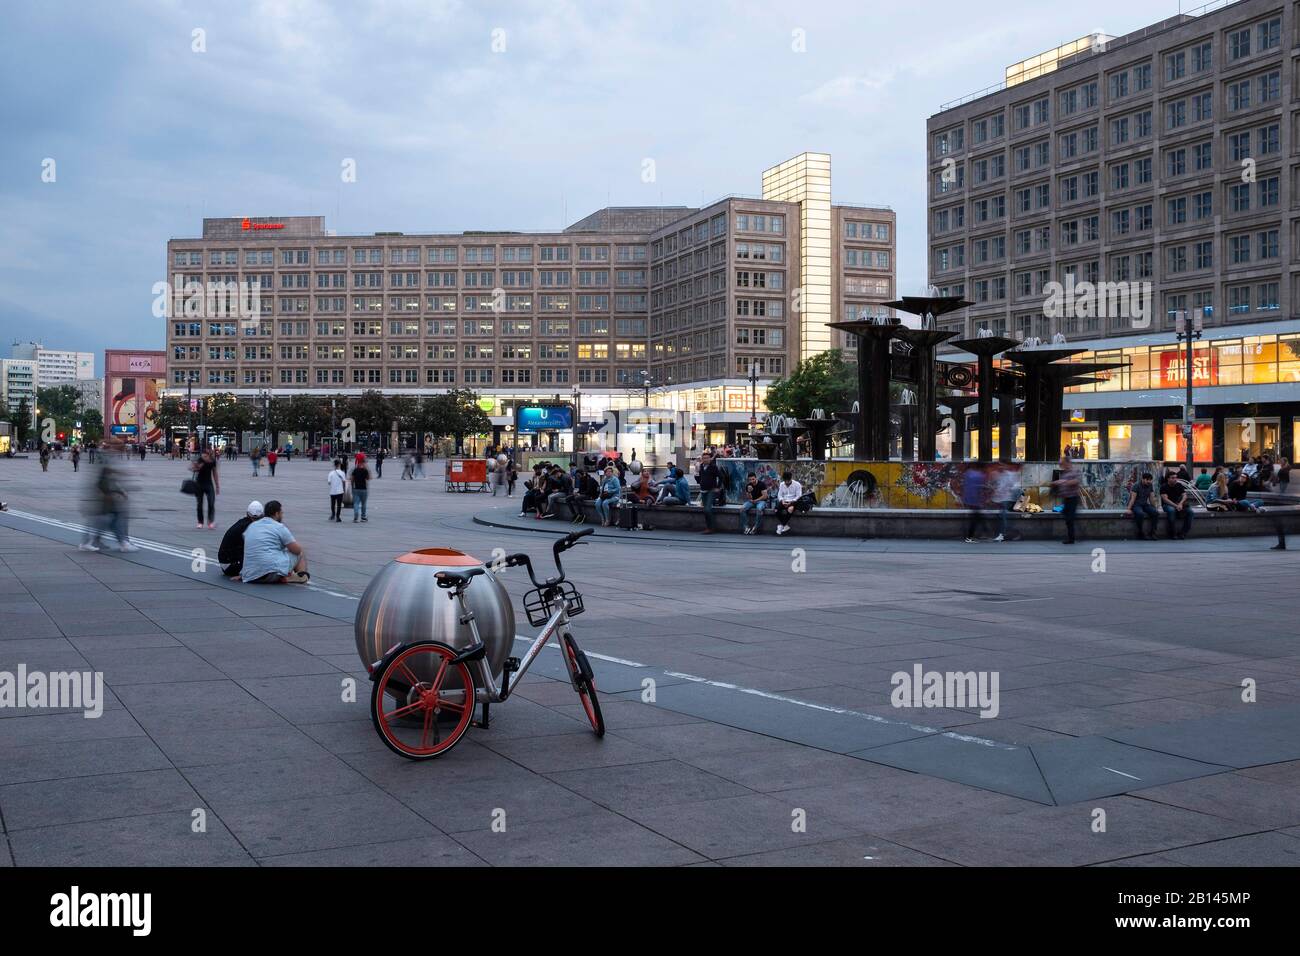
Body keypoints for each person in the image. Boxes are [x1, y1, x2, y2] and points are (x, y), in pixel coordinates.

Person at [78, 452, 139, 553]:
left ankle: (121, 542)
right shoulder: (101, 470)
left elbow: (110, 480)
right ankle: (88, 543)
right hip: (100, 501)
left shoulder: (104, 469)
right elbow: (100, 483)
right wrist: (107, 495)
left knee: (111, 518)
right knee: (103, 520)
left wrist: (119, 491)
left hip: (104, 500)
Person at [240, 500, 309, 584]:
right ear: (277, 514)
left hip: (250, 576)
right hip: (270, 573)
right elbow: (297, 550)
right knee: (299, 553)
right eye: (281, 513)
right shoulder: (279, 527)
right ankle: (301, 576)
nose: (282, 515)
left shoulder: (251, 526)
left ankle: (286, 575)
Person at [218, 501, 264, 577]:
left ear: (247, 514)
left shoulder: (242, 523)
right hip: (231, 566)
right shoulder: (249, 527)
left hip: (226, 563)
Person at [1051, 455, 1081, 544]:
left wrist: (1062, 482)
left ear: (1068, 463)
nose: (1061, 465)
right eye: (1060, 464)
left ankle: (1072, 538)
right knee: (1067, 517)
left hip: (1073, 498)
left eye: (1062, 463)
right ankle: (1072, 536)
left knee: (1070, 519)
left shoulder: (1074, 471)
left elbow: (1076, 482)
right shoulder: (1064, 473)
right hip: (1066, 499)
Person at [1124, 473, 1160, 541]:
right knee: (1140, 514)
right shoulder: (1136, 485)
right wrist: (1128, 509)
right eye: (1147, 480)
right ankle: (1141, 533)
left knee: (1155, 513)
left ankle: (1153, 533)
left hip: (1144, 504)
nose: (1149, 481)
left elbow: (1151, 498)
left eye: (1150, 480)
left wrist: (1155, 507)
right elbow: (1132, 498)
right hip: (1136, 505)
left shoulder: (1150, 485)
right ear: (1143, 479)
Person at [991, 464, 1021, 542]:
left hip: (1007, 499)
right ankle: (1007, 533)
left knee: (1003, 517)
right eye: (999, 465)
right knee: (1002, 517)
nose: (1000, 467)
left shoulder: (1009, 475)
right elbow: (998, 486)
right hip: (1002, 499)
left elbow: (1014, 487)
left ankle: (1002, 534)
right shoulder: (999, 474)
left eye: (1002, 465)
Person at [192, 447, 219, 530]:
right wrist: (200, 464)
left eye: (207, 453)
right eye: (204, 454)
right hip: (199, 484)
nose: (205, 455)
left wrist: (217, 486)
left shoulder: (213, 461)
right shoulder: (200, 459)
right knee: (199, 504)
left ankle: (210, 522)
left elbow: (215, 473)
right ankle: (200, 522)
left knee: (211, 503)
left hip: (209, 484)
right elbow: (193, 469)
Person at [695, 451, 722, 534]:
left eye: (707, 458)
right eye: (704, 458)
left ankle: (711, 528)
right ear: (702, 459)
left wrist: (718, 487)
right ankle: (708, 527)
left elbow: (721, 477)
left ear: (710, 459)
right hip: (703, 490)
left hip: (711, 490)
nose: (705, 459)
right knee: (705, 510)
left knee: (707, 509)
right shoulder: (701, 467)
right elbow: (700, 477)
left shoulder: (713, 467)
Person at [961, 463, 988, 543]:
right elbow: (980, 488)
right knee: (975, 518)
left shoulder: (968, 473)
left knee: (977, 516)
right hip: (975, 500)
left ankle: (985, 533)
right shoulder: (980, 475)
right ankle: (970, 537)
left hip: (969, 499)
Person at [1160, 473, 1193, 538]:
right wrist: (1176, 506)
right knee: (1171, 511)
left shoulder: (1179, 485)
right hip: (1167, 505)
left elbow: (1184, 495)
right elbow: (1165, 500)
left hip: (1178, 504)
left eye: (1176, 478)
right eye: (1173, 478)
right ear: (1168, 479)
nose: (1175, 479)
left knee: (1190, 512)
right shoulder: (1163, 487)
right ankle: (1173, 533)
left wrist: (1180, 504)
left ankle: (1183, 533)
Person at [774, 470, 802, 536]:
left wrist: (791, 502)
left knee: (790, 509)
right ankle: (785, 525)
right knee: (776, 510)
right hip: (784, 500)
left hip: (794, 501)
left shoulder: (797, 484)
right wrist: (782, 501)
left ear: (791, 478)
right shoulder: (782, 484)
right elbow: (779, 495)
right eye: (785, 481)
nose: (786, 483)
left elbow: (799, 496)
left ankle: (781, 526)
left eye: (788, 481)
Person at [350, 454, 371, 522]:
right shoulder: (365, 469)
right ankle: (363, 517)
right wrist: (367, 469)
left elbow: (352, 479)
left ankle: (356, 517)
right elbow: (369, 478)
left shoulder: (355, 469)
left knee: (356, 503)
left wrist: (352, 486)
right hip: (364, 489)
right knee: (364, 503)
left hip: (356, 488)